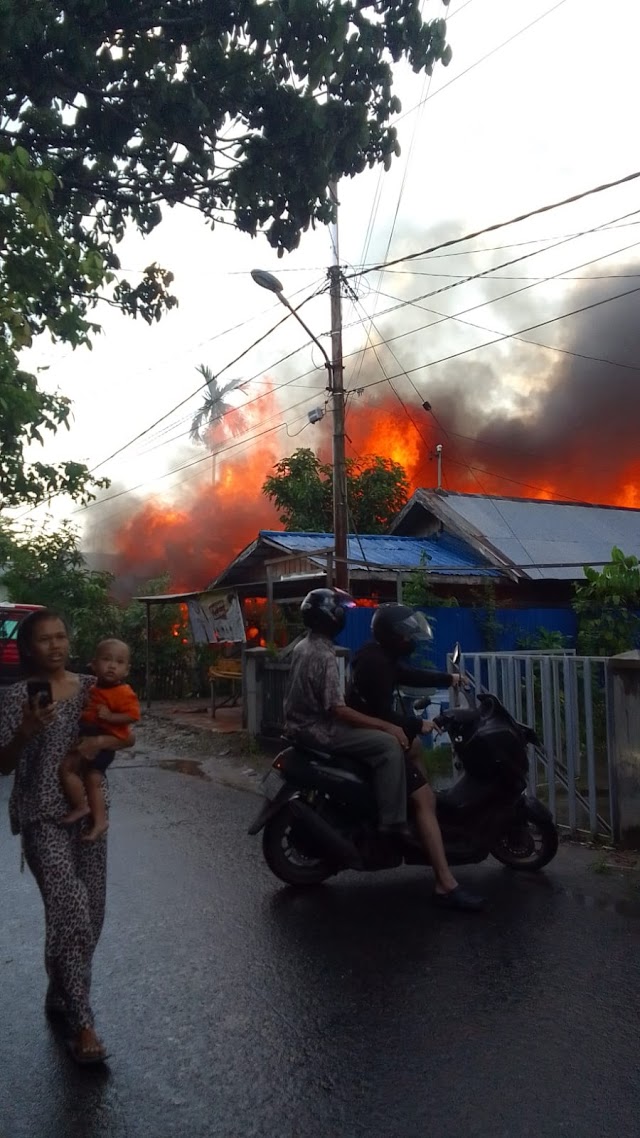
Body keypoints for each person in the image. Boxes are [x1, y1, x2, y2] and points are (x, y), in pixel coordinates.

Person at [0, 609, 134, 1065]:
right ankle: (83, 1024)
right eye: (44, 640)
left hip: (91, 814)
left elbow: (123, 735)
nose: (55, 646)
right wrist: (25, 732)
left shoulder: (93, 687)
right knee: (71, 910)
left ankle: (61, 989)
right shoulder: (18, 696)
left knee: (91, 913)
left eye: (61, 637)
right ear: (29, 647)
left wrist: (101, 744)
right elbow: (2, 764)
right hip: (42, 817)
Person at [347, 603, 483, 911]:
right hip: (375, 735)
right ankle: (445, 883)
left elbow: (408, 674)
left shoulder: (379, 655)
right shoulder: (376, 664)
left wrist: (447, 679)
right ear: (393, 636)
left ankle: (421, 806)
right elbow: (381, 713)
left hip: (375, 730)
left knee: (417, 749)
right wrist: (416, 724)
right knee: (424, 799)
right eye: (407, 634)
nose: (411, 639)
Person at [283, 588, 411, 836]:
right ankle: (393, 822)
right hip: (321, 730)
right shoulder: (324, 655)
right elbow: (337, 709)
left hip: (299, 727)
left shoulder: (302, 646)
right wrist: (387, 726)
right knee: (389, 746)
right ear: (333, 617)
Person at [60, 638, 140, 841]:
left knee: (92, 779)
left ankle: (98, 820)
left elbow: (132, 716)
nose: (112, 665)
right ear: (94, 664)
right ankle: (82, 806)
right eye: (106, 660)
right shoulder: (94, 687)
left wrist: (110, 717)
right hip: (90, 735)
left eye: (119, 662)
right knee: (69, 769)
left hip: (103, 740)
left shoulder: (124, 692)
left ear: (127, 670)